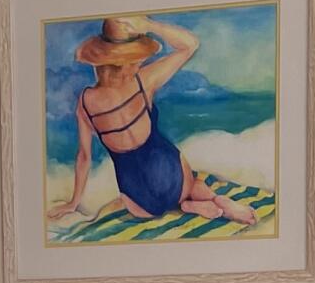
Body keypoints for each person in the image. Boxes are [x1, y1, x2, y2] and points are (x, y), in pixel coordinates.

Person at [49, 14, 259, 231]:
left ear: (100, 59)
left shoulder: (85, 102)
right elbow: (190, 45)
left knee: (139, 206)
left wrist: (73, 203)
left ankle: (187, 206)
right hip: (174, 177)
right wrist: (150, 25)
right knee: (194, 183)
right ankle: (206, 200)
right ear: (130, 59)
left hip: (140, 202)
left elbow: (84, 157)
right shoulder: (143, 80)